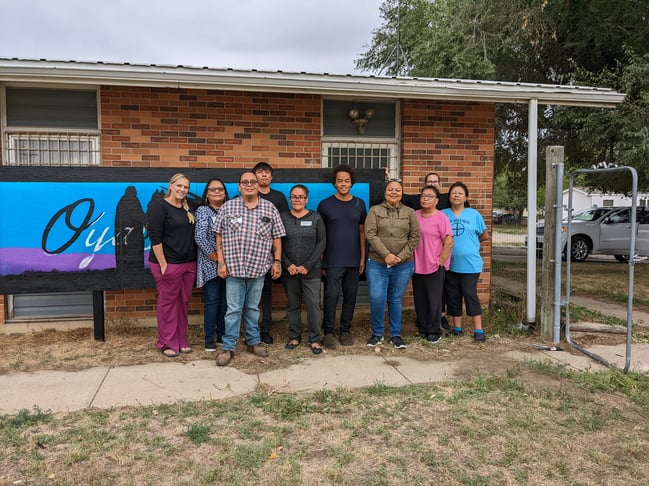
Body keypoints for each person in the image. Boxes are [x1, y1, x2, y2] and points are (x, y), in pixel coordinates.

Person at [214, 170, 286, 366]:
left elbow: (277, 238)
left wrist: (277, 261)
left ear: (258, 185)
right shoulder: (228, 208)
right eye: (245, 182)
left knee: (253, 309)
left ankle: (253, 342)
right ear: (239, 186)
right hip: (234, 270)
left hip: (259, 268)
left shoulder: (269, 208)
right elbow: (218, 236)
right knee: (233, 310)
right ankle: (228, 348)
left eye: (252, 181)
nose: (249, 185)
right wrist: (221, 262)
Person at [364, 179, 420, 349]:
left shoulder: (410, 212)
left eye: (397, 190)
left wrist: (400, 257)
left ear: (402, 193)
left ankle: (396, 335)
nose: (394, 192)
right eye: (390, 190)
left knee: (395, 299)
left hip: (402, 264)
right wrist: (386, 255)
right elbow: (370, 234)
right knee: (377, 298)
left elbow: (415, 237)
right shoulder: (375, 210)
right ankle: (377, 334)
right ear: (385, 192)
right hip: (377, 263)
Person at [317, 165, 367, 349]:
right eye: (340, 180)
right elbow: (320, 234)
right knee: (331, 296)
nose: (343, 183)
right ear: (334, 183)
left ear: (352, 183)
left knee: (350, 296)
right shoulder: (325, 204)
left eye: (347, 180)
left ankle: (345, 330)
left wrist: (362, 257)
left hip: (354, 259)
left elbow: (362, 232)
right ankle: (328, 332)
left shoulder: (359, 204)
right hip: (332, 259)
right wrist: (321, 258)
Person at [147, 173, 197, 357]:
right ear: (171, 185)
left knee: (182, 302)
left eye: (186, 187)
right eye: (179, 186)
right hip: (167, 263)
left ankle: (181, 338)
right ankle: (166, 342)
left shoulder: (188, 207)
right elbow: (155, 237)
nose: (182, 190)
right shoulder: (159, 205)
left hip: (188, 263)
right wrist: (163, 265)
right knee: (168, 303)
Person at [281, 184, 327, 354]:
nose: (298, 199)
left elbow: (321, 243)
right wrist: (288, 265)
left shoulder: (316, 218)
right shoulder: (282, 217)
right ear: (290, 198)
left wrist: (307, 265)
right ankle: (294, 336)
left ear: (306, 199)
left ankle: (315, 339)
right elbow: (276, 243)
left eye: (301, 197)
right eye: (294, 196)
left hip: (311, 270)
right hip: (290, 270)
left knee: (313, 304)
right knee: (293, 305)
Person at [442, 182, 489, 342]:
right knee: (453, 295)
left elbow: (484, 235)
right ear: (449, 197)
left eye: (460, 193)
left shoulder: (474, 215)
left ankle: (478, 329)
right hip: (450, 264)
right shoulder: (443, 214)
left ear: (466, 197)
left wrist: (470, 245)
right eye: (453, 193)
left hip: (470, 264)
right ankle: (457, 328)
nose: (456, 195)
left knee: (470, 294)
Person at [253, 161, 289, 345]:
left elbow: (282, 228)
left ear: (271, 177)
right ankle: (250, 329)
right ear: (254, 177)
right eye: (260, 172)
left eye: (267, 173)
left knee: (267, 294)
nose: (264, 175)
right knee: (250, 296)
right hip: (251, 254)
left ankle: (265, 330)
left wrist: (278, 259)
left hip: (271, 254)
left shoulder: (279, 197)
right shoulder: (248, 195)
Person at [413, 185, 454, 344]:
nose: (425, 199)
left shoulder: (441, 217)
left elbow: (449, 241)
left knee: (434, 300)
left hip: (434, 266)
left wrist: (441, 261)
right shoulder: (415, 215)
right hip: (417, 265)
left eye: (430, 196)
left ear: (436, 200)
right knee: (420, 299)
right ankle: (422, 328)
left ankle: (433, 330)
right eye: (423, 196)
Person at [194, 178, 229, 352]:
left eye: (220, 189)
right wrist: (218, 259)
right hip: (210, 264)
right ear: (207, 193)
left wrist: (227, 261)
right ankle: (209, 339)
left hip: (230, 265)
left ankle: (222, 335)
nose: (217, 192)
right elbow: (200, 237)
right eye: (212, 189)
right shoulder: (202, 211)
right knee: (212, 301)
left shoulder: (231, 209)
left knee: (226, 302)